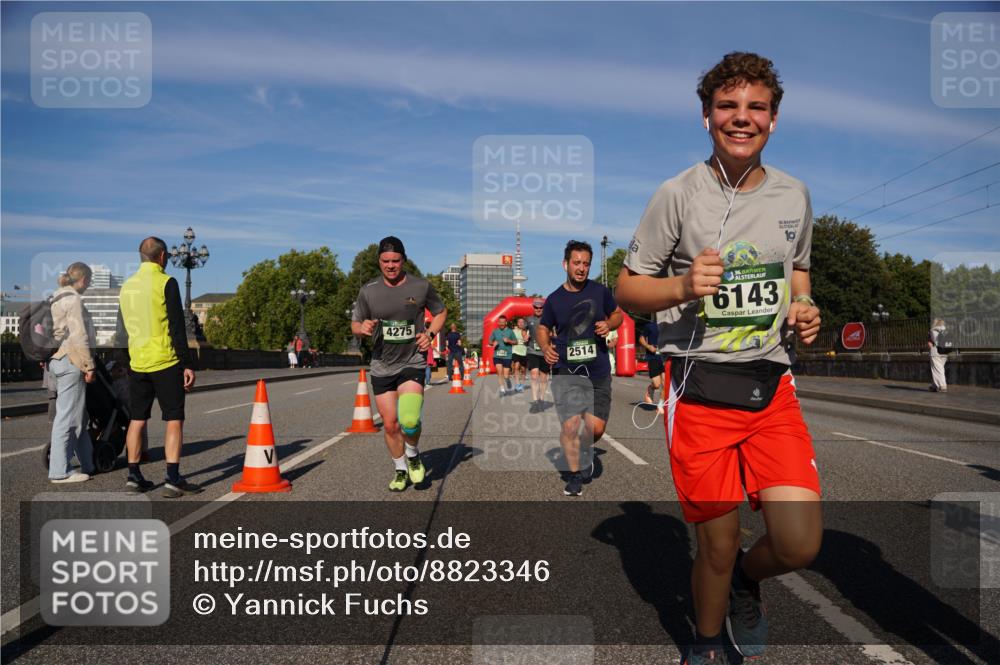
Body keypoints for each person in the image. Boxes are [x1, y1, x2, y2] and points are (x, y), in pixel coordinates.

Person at [616, 52, 822, 665]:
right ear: (705, 116)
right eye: (727, 107)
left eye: (755, 107)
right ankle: (706, 648)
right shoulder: (677, 194)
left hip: (772, 386)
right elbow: (628, 288)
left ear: (774, 119)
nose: (742, 118)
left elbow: (799, 270)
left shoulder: (795, 195)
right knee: (717, 543)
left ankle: (746, 582)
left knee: (799, 543)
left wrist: (804, 308)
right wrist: (681, 287)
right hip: (699, 390)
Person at [352, 236, 446, 492]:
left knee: (409, 420)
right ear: (379, 261)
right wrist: (363, 328)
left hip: (411, 361)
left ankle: (413, 453)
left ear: (403, 260)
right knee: (391, 424)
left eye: (395, 261)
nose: (390, 266)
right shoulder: (368, 291)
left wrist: (429, 335)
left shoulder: (421, 286)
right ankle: (401, 469)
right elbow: (355, 324)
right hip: (382, 364)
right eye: (385, 261)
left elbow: (440, 312)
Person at [116, 237, 202, 498]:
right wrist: (187, 364)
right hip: (165, 361)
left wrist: (126, 361)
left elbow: (120, 331)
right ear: (163, 256)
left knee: (137, 419)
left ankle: (133, 475)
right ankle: (173, 478)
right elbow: (177, 326)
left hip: (138, 361)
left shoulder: (127, 286)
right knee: (174, 418)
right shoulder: (167, 282)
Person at [537, 240, 623, 497]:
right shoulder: (554, 299)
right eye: (577, 263)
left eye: (586, 263)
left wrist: (610, 324)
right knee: (570, 426)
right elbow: (543, 328)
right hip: (566, 371)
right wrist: (545, 347)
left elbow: (618, 314)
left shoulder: (599, 292)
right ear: (566, 264)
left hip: (597, 370)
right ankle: (574, 475)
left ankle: (586, 449)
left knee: (595, 429)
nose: (582, 268)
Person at [48, 262, 96, 483]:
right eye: (90, 280)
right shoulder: (74, 299)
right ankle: (59, 471)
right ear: (84, 279)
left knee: (79, 417)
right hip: (71, 360)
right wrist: (89, 365)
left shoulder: (56, 296)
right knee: (67, 419)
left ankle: (89, 463)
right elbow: (79, 336)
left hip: (57, 360)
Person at [524, 298, 550, 413]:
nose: (538, 309)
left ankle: (541, 399)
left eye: (540, 308)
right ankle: (535, 401)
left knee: (544, 377)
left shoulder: (548, 319)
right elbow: (523, 330)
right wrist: (525, 336)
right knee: (534, 374)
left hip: (545, 351)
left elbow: (554, 332)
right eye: (536, 307)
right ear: (533, 308)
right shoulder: (528, 319)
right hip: (532, 350)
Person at [638, 317, 665, 414]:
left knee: (665, 382)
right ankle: (651, 388)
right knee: (657, 384)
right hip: (653, 357)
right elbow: (641, 339)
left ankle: (660, 405)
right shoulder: (650, 326)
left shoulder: (669, 325)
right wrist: (648, 346)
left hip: (665, 356)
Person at [489, 315, 517, 396]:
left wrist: (509, 341)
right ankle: (502, 389)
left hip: (507, 355)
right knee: (499, 371)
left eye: (503, 322)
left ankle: (507, 379)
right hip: (497, 355)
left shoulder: (510, 331)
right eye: (500, 322)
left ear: (506, 323)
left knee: (505, 375)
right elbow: (490, 341)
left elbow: (516, 342)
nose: (501, 324)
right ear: (498, 322)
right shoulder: (495, 331)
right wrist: (493, 343)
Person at [928, 318, 948, 393]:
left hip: (935, 351)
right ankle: (934, 385)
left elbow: (929, 344)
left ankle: (942, 386)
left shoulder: (932, 330)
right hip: (945, 351)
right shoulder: (946, 330)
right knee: (939, 368)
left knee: (937, 369)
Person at [511, 317, 529, 392]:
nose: (521, 323)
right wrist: (513, 342)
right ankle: (517, 384)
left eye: (522, 322)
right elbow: (510, 340)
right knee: (516, 366)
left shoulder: (527, 331)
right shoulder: (513, 331)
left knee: (523, 369)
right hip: (515, 351)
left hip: (524, 351)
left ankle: (522, 384)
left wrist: (526, 339)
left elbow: (527, 341)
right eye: (519, 322)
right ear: (517, 323)